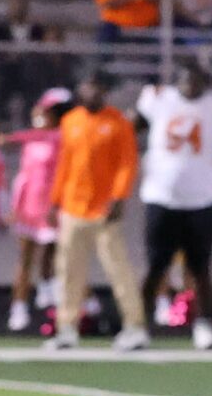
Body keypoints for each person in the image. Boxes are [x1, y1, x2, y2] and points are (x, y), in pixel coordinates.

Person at [135, 59, 212, 350]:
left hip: (203, 198)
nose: (190, 84)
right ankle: (137, 326)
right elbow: (128, 130)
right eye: (185, 78)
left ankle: (204, 325)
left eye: (196, 79)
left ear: (206, 82)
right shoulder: (159, 101)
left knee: (201, 266)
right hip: (161, 195)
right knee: (156, 265)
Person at [44, 71, 146, 352]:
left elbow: (127, 163)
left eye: (96, 88)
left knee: (118, 270)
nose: (92, 93)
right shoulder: (71, 121)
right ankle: (66, 328)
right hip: (73, 207)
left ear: (104, 91)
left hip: (103, 210)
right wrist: (55, 201)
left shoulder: (118, 123)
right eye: (87, 88)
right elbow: (64, 164)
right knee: (69, 271)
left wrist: (119, 197)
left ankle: (134, 326)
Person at [0, 86, 67, 334]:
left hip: (51, 206)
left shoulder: (62, 137)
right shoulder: (33, 139)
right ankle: (18, 308)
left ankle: (57, 307)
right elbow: (24, 176)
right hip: (29, 206)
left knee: (53, 258)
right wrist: (15, 207)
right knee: (25, 259)